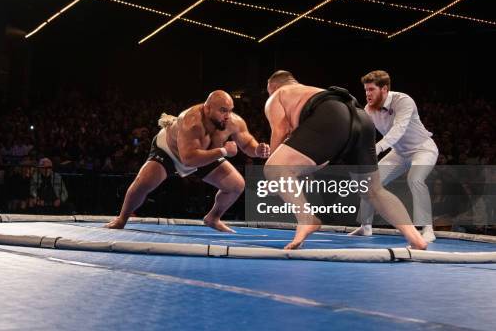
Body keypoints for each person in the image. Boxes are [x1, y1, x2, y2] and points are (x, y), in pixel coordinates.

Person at [263, 70, 427, 250]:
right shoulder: (308, 91)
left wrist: (272, 177)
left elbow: (280, 130)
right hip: (360, 118)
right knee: (374, 190)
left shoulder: (277, 95)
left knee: (273, 169)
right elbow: (313, 148)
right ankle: (416, 239)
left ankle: (306, 218)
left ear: (273, 86)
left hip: (331, 116)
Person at [106, 90, 270, 233]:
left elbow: (247, 143)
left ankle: (213, 218)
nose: (227, 116)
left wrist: (257, 150)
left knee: (236, 186)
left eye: (229, 110)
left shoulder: (233, 122)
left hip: (204, 154)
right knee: (143, 183)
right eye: (222, 111)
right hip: (171, 151)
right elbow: (189, 159)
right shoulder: (190, 120)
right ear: (207, 108)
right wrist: (224, 151)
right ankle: (122, 219)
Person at [349, 70, 438, 242]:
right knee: (370, 182)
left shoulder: (403, 101)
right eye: (366, 90)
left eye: (371, 89)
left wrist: (378, 148)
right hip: (399, 153)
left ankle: (428, 229)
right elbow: (361, 134)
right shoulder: (369, 109)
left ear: (384, 89)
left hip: (423, 149)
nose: (367, 94)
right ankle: (365, 226)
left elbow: (399, 129)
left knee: (415, 179)